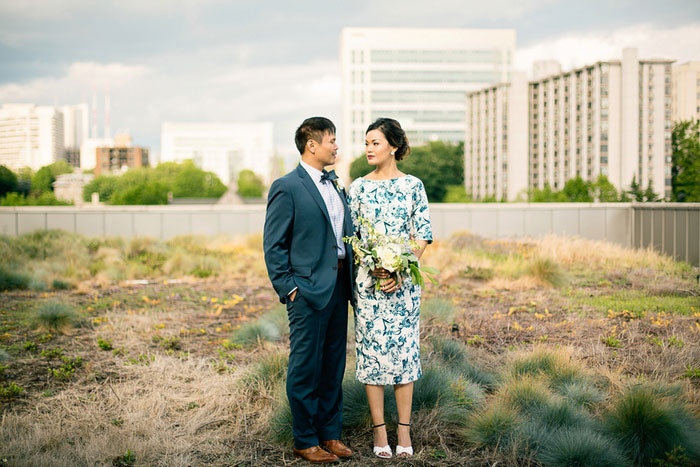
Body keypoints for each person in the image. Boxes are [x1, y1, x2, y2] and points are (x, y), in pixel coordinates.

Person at [263, 117, 355, 463]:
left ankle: (329, 435)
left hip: (340, 287)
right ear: (311, 145)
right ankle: (304, 439)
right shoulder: (287, 186)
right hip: (306, 292)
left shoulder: (336, 185)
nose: (336, 146)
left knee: (333, 365)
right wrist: (289, 289)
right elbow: (274, 244)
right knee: (305, 367)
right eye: (331, 140)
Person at [347, 118, 433, 459]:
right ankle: (379, 435)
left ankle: (404, 434)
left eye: (375, 143)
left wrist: (399, 266)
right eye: (366, 143)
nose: (368, 149)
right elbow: (351, 237)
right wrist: (373, 264)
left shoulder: (413, 186)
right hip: (368, 286)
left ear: (393, 146)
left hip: (403, 287)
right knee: (372, 358)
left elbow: (422, 233)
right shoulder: (357, 188)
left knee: (403, 356)